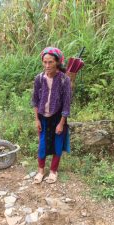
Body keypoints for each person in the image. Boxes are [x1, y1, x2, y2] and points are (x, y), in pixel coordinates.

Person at [32, 47, 72, 184]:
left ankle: (53, 171)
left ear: (57, 62)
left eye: (50, 62)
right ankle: (41, 171)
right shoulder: (39, 78)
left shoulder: (64, 80)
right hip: (42, 117)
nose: (47, 66)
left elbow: (67, 104)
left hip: (57, 117)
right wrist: (36, 119)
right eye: (45, 62)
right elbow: (35, 100)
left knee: (57, 144)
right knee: (42, 145)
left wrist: (61, 123)